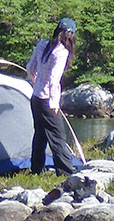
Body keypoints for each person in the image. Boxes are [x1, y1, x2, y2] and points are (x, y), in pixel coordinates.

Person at [26, 17, 78, 176]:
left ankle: (36, 170)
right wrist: (54, 103)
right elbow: (54, 81)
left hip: (35, 98)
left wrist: (34, 81)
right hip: (47, 100)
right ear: (70, 35)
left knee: (40, 135)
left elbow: (30, 67)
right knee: (58, 137)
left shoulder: (42, 44)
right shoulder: (61, 52)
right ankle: (65, 172)